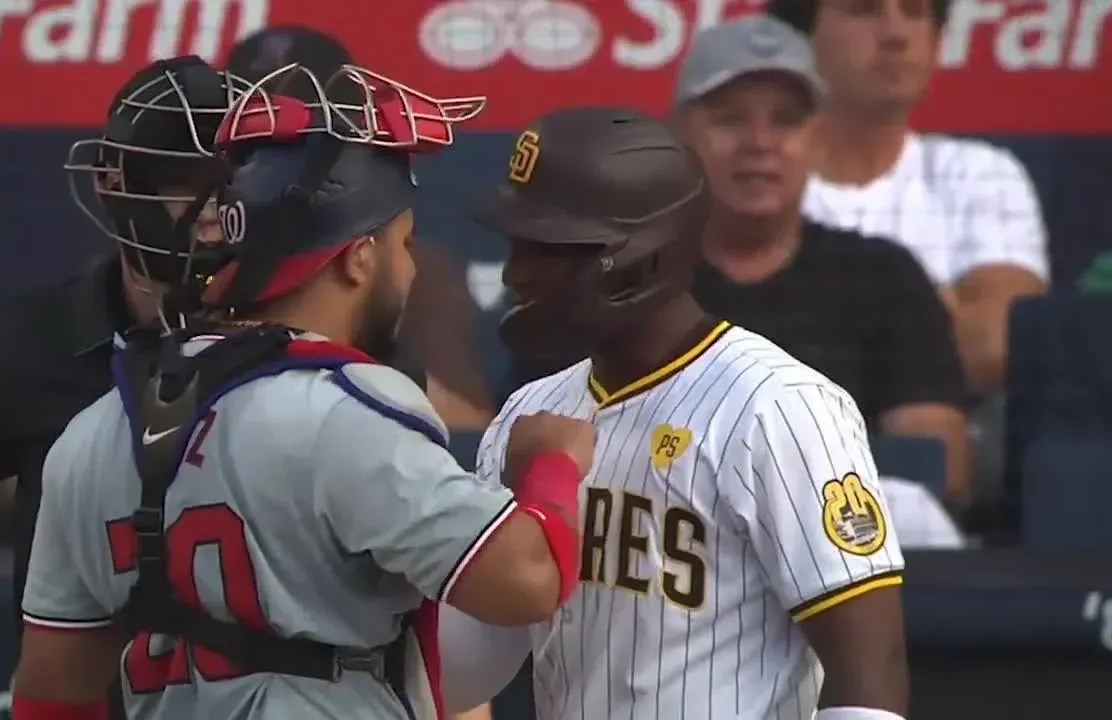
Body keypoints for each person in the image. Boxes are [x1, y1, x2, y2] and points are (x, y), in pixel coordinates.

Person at [10, 62, 595, 720]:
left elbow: (52, 690)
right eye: (404, 244)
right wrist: (548, 467)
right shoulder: (346, 411)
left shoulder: (92, 432)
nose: (408, 268)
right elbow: (527, 582)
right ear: (359, 256)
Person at [440, 107, 909, 719]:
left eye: (547, 248)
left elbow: (870, 676)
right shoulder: (529, 415)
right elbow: (466, 664)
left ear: (639, 259)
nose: (515, 272)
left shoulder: (778, 407)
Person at [0, 55, 242, 720]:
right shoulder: (19, 350)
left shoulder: (317, 339)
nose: (213, 207)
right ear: (111, 180)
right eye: (184, 176)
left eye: (234, 177)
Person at [668, 17, 971, 525]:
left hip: (845, 544)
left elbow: (937, 469)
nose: (759, 142)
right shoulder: (623, 280)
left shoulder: (885, 277)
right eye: (730, 119)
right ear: (678, 136)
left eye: (786, 119)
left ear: (818, 138)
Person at [766, 0, 1048, 398]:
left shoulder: (981, 173)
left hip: (935, 445)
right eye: (863, 11)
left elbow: (997, 349)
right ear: (800, 37)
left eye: (914, 11)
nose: (897, 35)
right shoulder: (758, 182)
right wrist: (937, 308)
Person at [228, 24, 498, 432]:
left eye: (312, 133)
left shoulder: (405, 262)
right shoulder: (183, 247)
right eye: (264, 139)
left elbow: (469, 422)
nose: (285, 155)